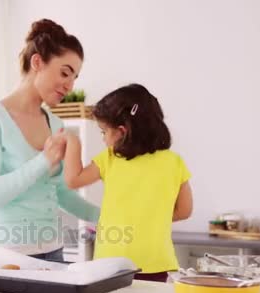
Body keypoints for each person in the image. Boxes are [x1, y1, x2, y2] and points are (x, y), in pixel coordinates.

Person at [0, 19, 100, 261]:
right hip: (10, 256)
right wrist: (43, 161)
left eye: (74, 78)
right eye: (65, 73)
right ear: (37, 62)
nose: (70, 85)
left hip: (54, 251)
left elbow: (60, 192)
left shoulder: (55, 123)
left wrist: (104, 217)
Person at [62, 83, 193, 281]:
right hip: (156, 261)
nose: (104, 139)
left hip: (111, 263)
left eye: (103, 132)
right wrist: (149, 219)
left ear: (122, 131)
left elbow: (73, 180)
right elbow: (184, 211)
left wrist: (73, 142)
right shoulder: (174, 162)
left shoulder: (110, 157)